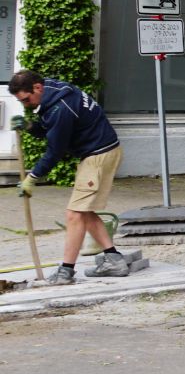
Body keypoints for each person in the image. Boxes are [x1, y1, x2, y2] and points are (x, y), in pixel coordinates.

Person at [9, 69, 131, 284]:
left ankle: (66, 271)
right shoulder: (55, 91)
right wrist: (30, 126)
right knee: (84, 211)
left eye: (27, 100)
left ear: (37, 87)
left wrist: (33, 177)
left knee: (74, 214)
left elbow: (55, 150)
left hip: (97, 156)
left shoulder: (60, 108)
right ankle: (114, 259)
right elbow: (51, 128)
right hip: (103, 151)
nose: (25, 105)